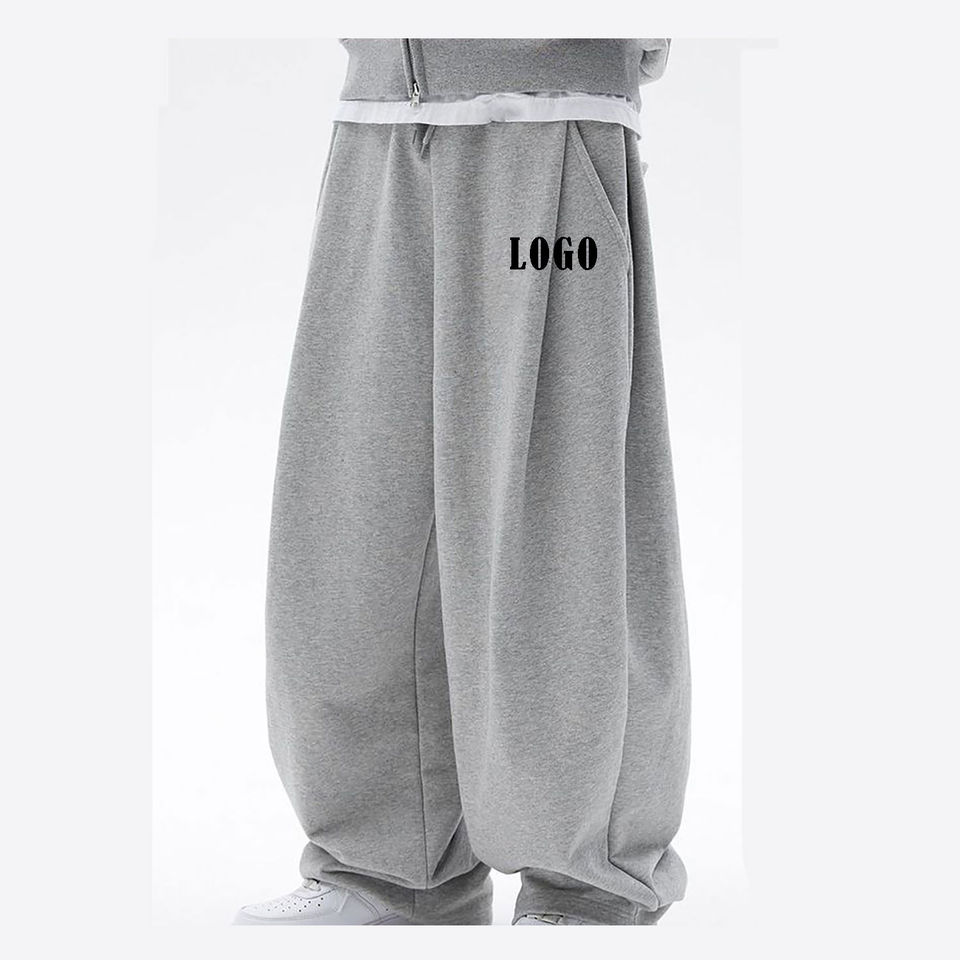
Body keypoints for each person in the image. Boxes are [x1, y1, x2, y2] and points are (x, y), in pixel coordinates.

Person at [236, 38, 690, 927]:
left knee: (558, 507)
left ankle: (588, 881)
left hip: (546, 120)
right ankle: (389, 867)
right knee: (356, 508)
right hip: (379, 124)